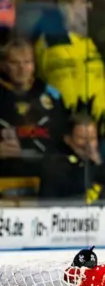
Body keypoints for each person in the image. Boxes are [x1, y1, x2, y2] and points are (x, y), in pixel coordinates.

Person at [35, 0, 105, 133]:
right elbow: (42, 81)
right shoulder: (51, 41)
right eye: (83, 1)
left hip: (96, 126)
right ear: (67, 7)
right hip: (65, 125)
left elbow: (101, 82)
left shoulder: (93, 43)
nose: (89, 7)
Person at [0, 41, 64, 199]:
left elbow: (63, 137)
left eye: (27, 62)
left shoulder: (51, 96)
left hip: (46, 178)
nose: (21, 68)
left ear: (34, 66)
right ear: (3, 66)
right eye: (15, 63)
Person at [40, 113, 105, 201]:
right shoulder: (55, 159)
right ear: (68, 139)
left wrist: (98, 163)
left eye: (92, 138)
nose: (88, 144)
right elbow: (77, 186)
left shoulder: (100, 160)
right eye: (82, 138)